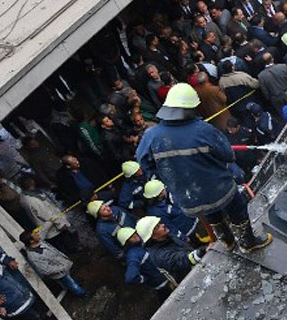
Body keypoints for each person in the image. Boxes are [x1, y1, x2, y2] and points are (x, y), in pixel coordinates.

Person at [136, 84, 272, 252]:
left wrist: (170, 176)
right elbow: (228, 155)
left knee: (210, 212)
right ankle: (248, 243)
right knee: (237, 209)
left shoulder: (150, 136)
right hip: (219, 188)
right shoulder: (202, 130)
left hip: (189, 196)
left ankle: (227, 242)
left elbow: (145, 164)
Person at [134, 216, 209, 286]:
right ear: (153, 236)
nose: (163, 225)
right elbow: (184, 260)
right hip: (191, 281)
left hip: (197, 268)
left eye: (160, 223)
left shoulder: (167, 236)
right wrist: (203, 250)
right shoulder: (159, 255)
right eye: (157, 227)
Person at [18, 229, 87, 297]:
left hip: (62, 266)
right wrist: (63, 267)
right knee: (72, 285)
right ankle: (82, 294)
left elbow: (43, 231)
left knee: (69, 279)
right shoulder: (34, 256)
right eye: (35, 235)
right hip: (60, 273)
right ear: (31, 241)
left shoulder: (39, 241)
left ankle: (74, 286)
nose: (38, 234)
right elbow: (47, 270)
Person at [115, 227, 169, 293]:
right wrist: (146, 279)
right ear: (127, 242)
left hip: (168, 277)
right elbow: (130, 277)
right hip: (164, 285)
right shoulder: (133, 255)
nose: (135, 236)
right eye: (131, 237)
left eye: (134, 233)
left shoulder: (141, 245)